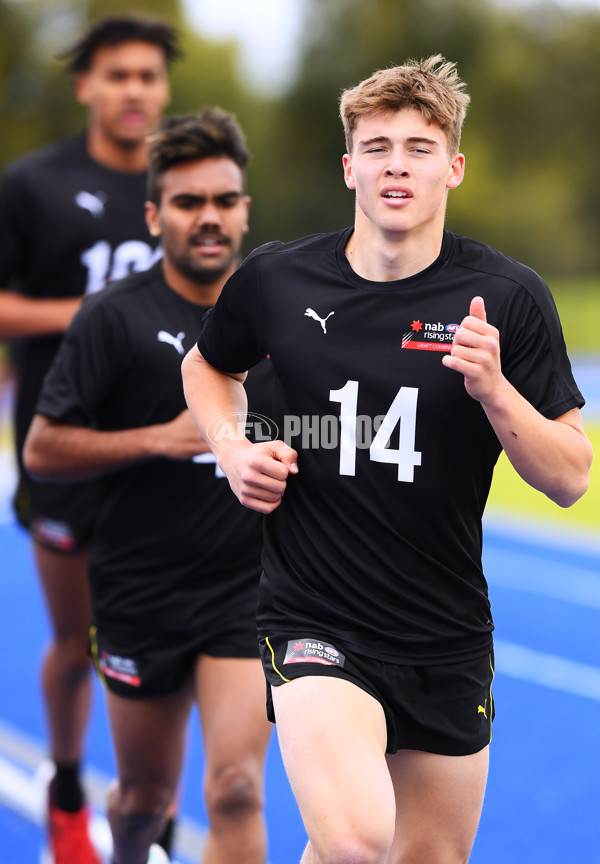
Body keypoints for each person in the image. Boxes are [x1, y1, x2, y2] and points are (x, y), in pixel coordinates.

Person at [181, 55, 593, 864]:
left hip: (445, 634)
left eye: (418, 146)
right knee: (360, 840)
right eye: (376, 147)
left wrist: (497, 391)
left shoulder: (507, 300)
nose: (396, 162)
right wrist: (233, 450)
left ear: (454, 167)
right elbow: (206, 366)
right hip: (313, 621)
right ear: (349, 168)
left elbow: (571, 477)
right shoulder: (275, 278)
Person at [24, 109, 273, 864]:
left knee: (235, 789)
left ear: (244, 210)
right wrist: (158, 440)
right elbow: (42, 449)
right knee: (144, 803)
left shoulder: (283, 313)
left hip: (247, 589)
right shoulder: (112, 317)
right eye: (189, 202)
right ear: (154, 212)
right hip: (139, 589)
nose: (209, 219)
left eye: (224, 202)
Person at [0, 15, 178, 864]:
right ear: (87, 87)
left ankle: (158, 816)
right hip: (62, 444)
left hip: (167, 451)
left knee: (173, 642)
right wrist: (97, 316)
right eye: (119, 75)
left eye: (149, 75)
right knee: (80, 642)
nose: (135, 90)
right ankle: (67, 790)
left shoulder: (187, 186)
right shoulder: (32, 185)